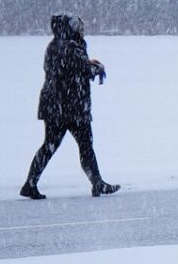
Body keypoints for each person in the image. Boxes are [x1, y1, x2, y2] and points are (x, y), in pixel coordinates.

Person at [20, 14, 120, 199]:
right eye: (77, 26)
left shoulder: (54, 46)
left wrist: (86, 63)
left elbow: (68, 69)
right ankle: (97, 183)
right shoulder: (71, 47)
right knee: (85, 145)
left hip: (54, 105)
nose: (81, 29)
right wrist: (97, 67)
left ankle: (31, 183)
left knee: (50, 146)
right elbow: (83, 70)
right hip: (71, 107)